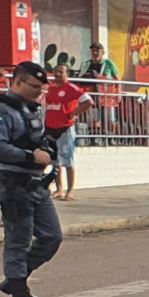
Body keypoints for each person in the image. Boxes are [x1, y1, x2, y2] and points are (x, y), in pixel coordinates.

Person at [0, 61, 62, 297]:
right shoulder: (2, 110)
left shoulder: (32, 108)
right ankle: (19, 294)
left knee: (52, 236)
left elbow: (38, 139)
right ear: (17, 82)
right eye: (35, 87)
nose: (39, 92)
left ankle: (15, 280)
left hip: (37, 184)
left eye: (43, 88)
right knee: (18, 241)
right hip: (14, 184)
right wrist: (31, 157)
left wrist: (48, 150)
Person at [45, 64, 93, 200]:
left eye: (61, 72)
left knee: (68, 160)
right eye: (56, 72)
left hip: (65, 128)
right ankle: (59, 189)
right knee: (55, 160)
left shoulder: (71, 88)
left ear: (67, 74)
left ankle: (70, 190)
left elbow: (89, 101)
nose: (58, 74)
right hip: (51, 127)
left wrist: (74, 113)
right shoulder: (50, 88)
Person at [81, 42, 120, 141]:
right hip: (93, 96)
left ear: (103, 52)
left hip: (108, 96)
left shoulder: (109, 63)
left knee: (109, 118)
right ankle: (95, 138)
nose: (94, 53)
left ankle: (111, 138)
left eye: (97, 51)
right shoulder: (87, 64)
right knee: (94, 117)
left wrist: (118, 94)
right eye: (93, 51)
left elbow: (117, 79)